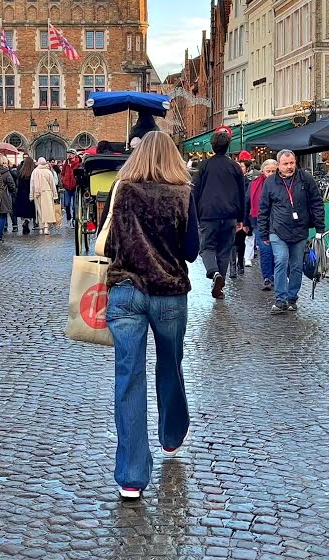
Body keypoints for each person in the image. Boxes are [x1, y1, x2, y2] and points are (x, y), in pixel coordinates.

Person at [102, 131, 200, 501]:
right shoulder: (184, 194)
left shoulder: (122, 191)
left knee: (129, 378)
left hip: (126, 291)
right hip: (169, 293)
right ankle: (171, 435)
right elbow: (192, 251)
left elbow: (110, 244)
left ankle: (131, 476)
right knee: (170, 365)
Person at [258, 149, 324, 313]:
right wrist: (264, 232)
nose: (289, 167)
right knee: (281, 260)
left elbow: (316, 202)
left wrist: (319, 228)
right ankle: (281, 300)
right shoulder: (271, 182)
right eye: (285, 164)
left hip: (299, 229)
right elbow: (264, 208)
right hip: (277, 229)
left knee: (296, 265)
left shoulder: (305, 179)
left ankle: (292, 297)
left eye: (292, 163)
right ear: (278, 165)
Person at [192, 130, 247, 298]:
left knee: (207, 248)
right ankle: (220, 285)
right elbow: (241, 194)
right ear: (228, 146)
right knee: (224, 250)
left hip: (208, 214)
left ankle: (213, 272)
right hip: (229, 215)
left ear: (212, 146)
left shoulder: (205, 166)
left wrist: (194, 213)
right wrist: (240, 218)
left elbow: (195, 191)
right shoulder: (235, 167)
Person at [248, 159, 278, 291]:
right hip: (259, 221)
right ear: (262, 171)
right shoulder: (254, 184)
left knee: (277, 252)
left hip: (278, 222)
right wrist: (244, 221)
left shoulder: (282, 184)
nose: (271, 174)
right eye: (268, 171)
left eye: (273, 171)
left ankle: (278, 276)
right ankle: (267, 277)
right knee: (265, 251)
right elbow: (247, 202)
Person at [30, 158, 59, 235]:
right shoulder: (48, 172)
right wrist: (55, 195)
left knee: (39, 211)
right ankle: (46, 227)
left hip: (37, 193)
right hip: (47, 193)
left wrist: (31, 196)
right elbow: (52, 184)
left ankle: (41, 228)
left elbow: (32, 185)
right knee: (47, 210)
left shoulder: (35, 171)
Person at [0, 154, 17, 242]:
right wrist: (11, 192)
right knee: (2, 215)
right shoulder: (6, 172)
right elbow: (11, 185)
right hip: (4, 196)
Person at [15, 157, 37, 234]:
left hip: (21, 193)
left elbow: (17, 183)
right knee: (30, 210)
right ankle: (27, 221)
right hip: (29, 193)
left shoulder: (20, 172)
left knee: (22, 211)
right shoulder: (33, 172)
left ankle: (24, 221)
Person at [60, 154, 80, 223]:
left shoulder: (78, 164)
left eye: (71, 155)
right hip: (67, 187)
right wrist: (63, 180)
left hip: (75, 187)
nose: (69, 157)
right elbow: (62, 173)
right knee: (67, 204)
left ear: (74, 156)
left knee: (74, 205)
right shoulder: (66, 164)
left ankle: (74, 218)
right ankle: (68, 216)